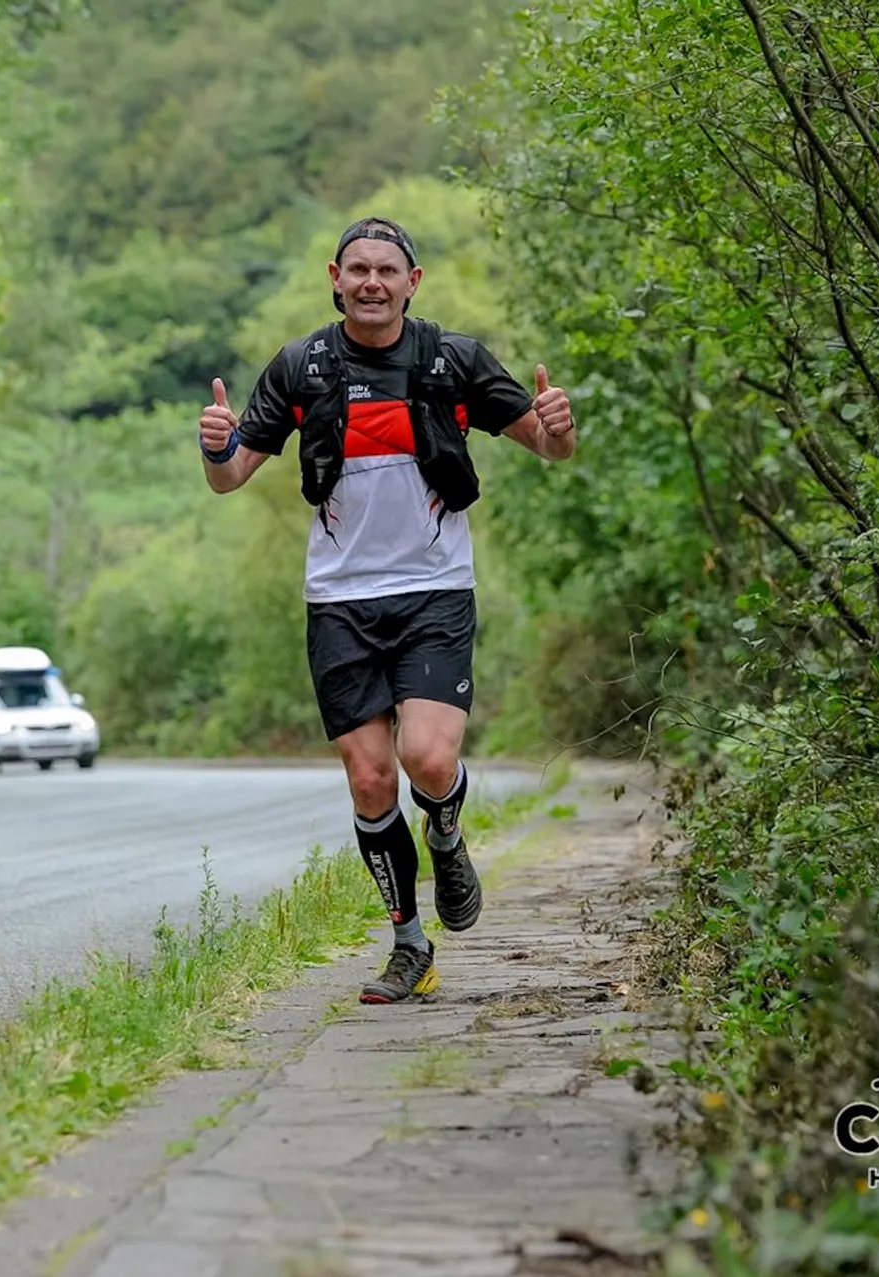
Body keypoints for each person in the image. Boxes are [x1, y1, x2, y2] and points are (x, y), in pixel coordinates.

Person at [197, 216, 576, 1004]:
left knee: (428, 761)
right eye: (358, 270)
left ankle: (446, 828)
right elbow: (232, 479)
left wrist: (558, 429)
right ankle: (409, 944)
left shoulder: (454, 359)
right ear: (335, 276)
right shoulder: (302, 366)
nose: (372, 283)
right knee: (371, 779)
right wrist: (216, 444)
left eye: (387, 271)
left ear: (413, 281)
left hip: (434, 588)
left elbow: (546, 446)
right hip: (339, 601)